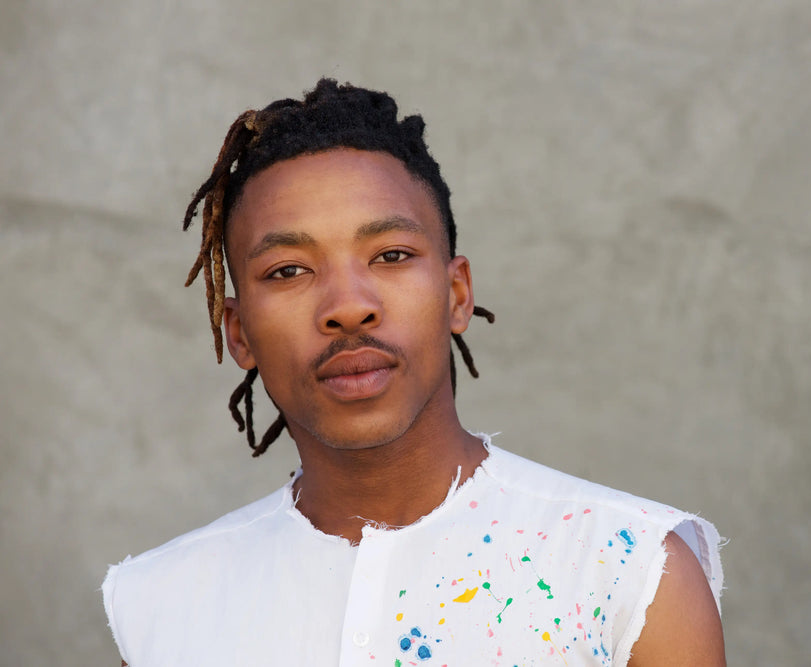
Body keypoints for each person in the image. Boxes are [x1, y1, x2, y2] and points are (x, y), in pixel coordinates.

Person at [102, 78, 725, 666]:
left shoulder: (629, 573)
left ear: (456, 295)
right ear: (239, 332)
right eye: (288, 270)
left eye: (391, 255)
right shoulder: (163, 605)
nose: (348, 306)